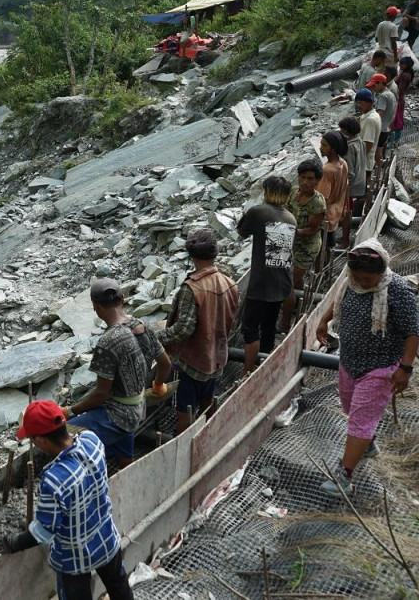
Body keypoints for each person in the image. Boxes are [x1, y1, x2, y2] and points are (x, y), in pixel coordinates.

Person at [0, 400, 134, 600]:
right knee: (119, 586)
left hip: (75, 558)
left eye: (32, 438)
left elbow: (44, 531)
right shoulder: (91, 441)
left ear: (42, 440)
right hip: (106, 539)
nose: (33, 443)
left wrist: (13, 542)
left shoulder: (53, 480)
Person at [316, 240, 419, 496]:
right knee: (350, 407)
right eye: (359, 277)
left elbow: (412, 332)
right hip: (350, 360)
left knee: (361, 419)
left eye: (368, 278)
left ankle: (345, 476)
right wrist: (323, 321)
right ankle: (367, 443)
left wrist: (405, 368)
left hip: (380, 366)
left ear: (381, 272)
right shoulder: (351, 282)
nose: (363, 282)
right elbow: (338, 300)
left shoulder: (397, 290)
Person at [64, 279, 170, 469]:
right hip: (139, 408)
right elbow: (165, 364)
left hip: (118, 414)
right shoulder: (142, 326)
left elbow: (101, 394)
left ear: (95, 306)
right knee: (123, 448)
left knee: (66, 434)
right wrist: (158, 385)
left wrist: (71, 411)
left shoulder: (108, 342)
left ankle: (84, 479)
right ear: (122, 299)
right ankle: (127, 471)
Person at [156, 230, 240, 432]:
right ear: (216, 253)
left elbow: (183, 329)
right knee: (208, 402)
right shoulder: (230, 284)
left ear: (191, 256)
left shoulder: (192, 288)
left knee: (185, 409)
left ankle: (183, 445)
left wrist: (156, 337)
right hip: (216, 357)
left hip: (191, 363)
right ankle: (210, 435)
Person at [235, 176, 296, 373]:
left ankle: (247, 373)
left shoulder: (258, 211)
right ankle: (264, 367)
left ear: (267, 192)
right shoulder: (290, 218)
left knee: (250, 330)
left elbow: (242, 231)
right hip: (281, 282)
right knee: (269, 328)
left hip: (261, 284)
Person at [279, 160, 325, 331]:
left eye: (310, 178)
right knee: (295, 280)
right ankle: (296, 305)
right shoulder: (292, 193)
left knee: (288, 283)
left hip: (307, 247)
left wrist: (289, 230)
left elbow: (312, 230)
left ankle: (285, 322)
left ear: (317, 181)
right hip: (291, 242)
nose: (305, 182)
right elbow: (285, 210)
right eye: (302, 177)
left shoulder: (317, 203)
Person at [316, 131, 350, 258]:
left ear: (333, 148)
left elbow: (321, 198)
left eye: (324, 145)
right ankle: (326, 272)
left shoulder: (327, 170)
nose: (320, 148)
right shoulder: (343, 163)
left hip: (325, 216)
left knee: (321, 249)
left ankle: (322, 274)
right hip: (336, 211)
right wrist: (345, 207)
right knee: (329, 245)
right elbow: (346, 187)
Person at [338, 116, 367, 248]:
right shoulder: (359, 140)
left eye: (342, 129)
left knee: (346, 212)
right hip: (360, 180)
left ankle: (345, 240)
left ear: (346, 130)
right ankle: (345, 236)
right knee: (348, 211)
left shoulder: (349, 146)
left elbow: (349, 171)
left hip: (351, 185)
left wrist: (342, 188)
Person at [355, 88, 382, 191]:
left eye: (361, 103)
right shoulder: (370, 116)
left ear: (370, 103)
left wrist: (357, 161)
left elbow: (368, 143)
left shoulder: (370, 120)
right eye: (357, 103)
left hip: (364, 164)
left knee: (360, 193)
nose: (358, 105)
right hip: (366, 162)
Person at [369, 74, 397, 170]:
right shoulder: (391, 94)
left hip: (381, 128)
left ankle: (377, 168)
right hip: (387, 126)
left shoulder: (383, 96)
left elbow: (380, 113)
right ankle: (380, 167)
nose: (373, 88)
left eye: (374, 85)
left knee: (377, 150)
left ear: (380, 83)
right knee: (381, 148)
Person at [390, 57, 415, 148]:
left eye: (402, 64)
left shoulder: (405, 75)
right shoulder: (406, 73)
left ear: (407, 65)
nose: (400, 66)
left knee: (397, 119)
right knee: (397, 118)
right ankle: (395, 139)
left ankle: (395, 139)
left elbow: (400, 90)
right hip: (400, 98)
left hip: (398, 99)